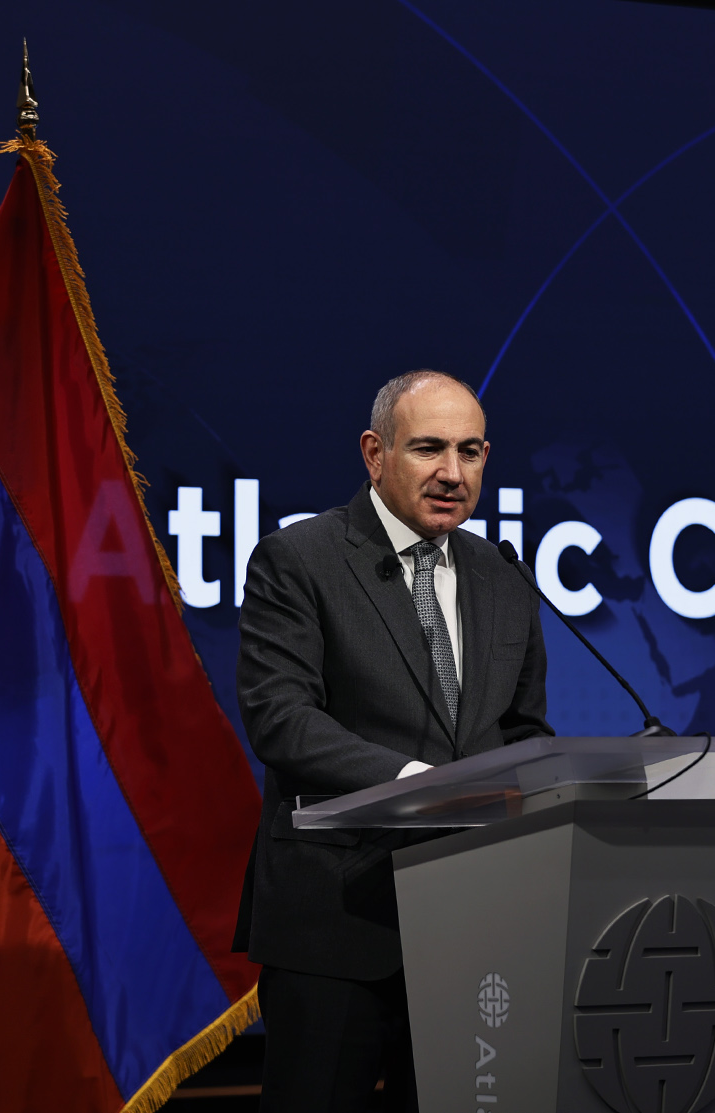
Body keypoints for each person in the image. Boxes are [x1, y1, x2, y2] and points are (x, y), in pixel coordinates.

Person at [234, 369, 553, 1111]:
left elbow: (525, 729)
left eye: (469, 452)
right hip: (336, 922)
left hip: (470, 927)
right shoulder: (301, 558)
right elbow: (282, 718)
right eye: (429, 449)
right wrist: (420, 784)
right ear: (375, 454)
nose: (452, 473)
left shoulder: (503, 574)